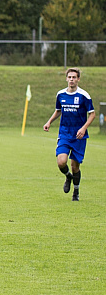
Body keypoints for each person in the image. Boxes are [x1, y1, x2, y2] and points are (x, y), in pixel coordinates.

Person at [43, 68, 95, 201]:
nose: (71, 79)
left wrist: (83, 128)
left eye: (74, 77)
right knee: (61, 162)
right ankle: (68, 176)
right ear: (66, 79)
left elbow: (92, 114)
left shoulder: (84, 95)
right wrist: (49, 122)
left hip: (79, 135)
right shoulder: (60, 94)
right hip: (65, 133)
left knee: (75, 166)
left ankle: (76, 192)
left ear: (78, 79)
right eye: (69, 77)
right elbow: (58, 110)